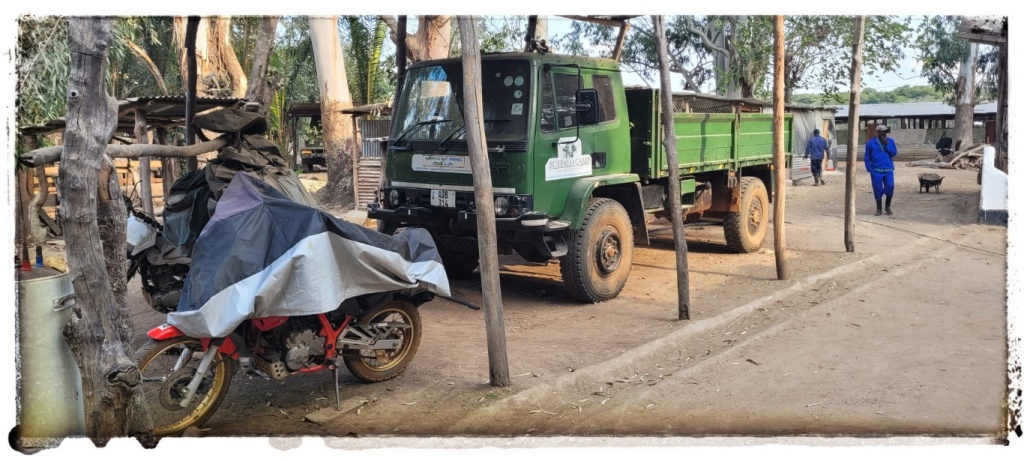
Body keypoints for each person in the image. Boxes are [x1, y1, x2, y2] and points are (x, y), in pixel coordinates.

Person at [864, 124, 898, 216]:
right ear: (878, 132)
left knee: (890, 187)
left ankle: (887, 207)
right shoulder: (870, 143)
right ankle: (879, 209)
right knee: (877, 189)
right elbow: (866, 157)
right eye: (882, 131)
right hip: (876, 170)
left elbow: (894, 153)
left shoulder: (890, 141)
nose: (884, 133)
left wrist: (887, 144)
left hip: (888, 169)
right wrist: (869, 169)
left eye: (886, 131)